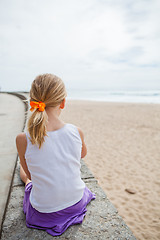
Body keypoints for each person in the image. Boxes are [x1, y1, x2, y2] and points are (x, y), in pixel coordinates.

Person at [16, 73, 95, 236]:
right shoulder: (76, 131)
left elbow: (32, 175)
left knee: (24, 174)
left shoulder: (23, 139)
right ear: (63, 102)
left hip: (44, 212)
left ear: (33, 102)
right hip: (76, 203)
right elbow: (82, 154)